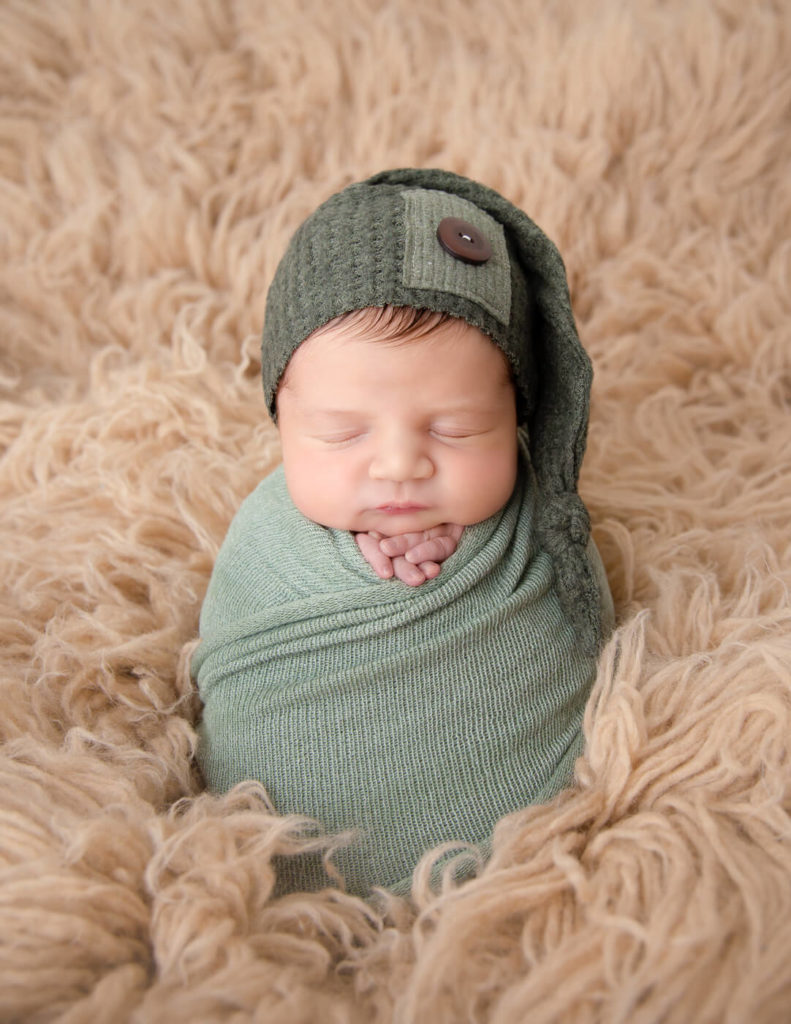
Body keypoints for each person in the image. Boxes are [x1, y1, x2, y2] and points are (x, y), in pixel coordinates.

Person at [192, 168, 615, 899]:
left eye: (456, 429)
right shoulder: (266, 542)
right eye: (340, 432)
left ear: (517, 415)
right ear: (282, 420)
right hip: (290, 881)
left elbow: (585, 628)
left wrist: (461, 555)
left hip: (522, 878)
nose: (397, 466)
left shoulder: (536, 520)